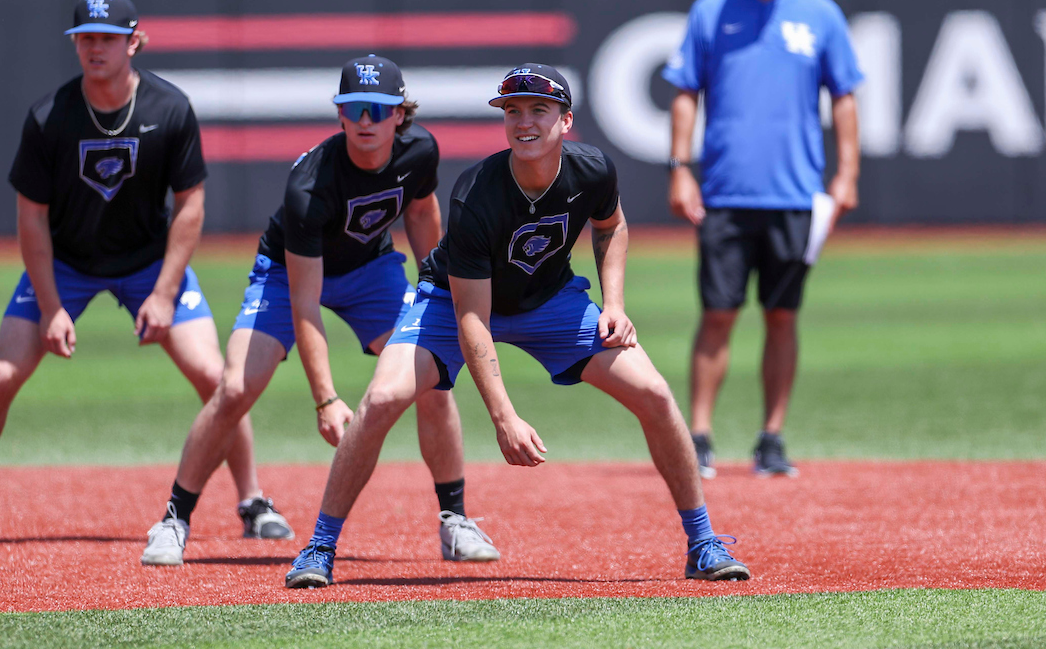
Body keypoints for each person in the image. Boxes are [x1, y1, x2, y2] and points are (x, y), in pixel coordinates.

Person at [285, 63, 749, 589]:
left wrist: (614, 302)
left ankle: (702, 542)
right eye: (512, 111)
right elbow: (473, 320)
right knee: (382, 400)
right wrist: (503, 416)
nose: (523, 122)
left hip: (550, 301)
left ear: (566, 119)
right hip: (450, 302)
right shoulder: (475, 194)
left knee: (657, 396)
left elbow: (611, 223)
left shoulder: (592, 169)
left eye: (537, 110)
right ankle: (320, 547)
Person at [0, 0, 277, 545]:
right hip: (67, 262)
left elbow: (190, 207)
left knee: (217, 376)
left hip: (148, 262)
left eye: (108, 38)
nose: (95, 48)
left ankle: (253, 501)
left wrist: (163, 294)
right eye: (85, 38)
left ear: (134, 42)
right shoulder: (49, 117)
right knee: (0, 377)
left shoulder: (170, 109)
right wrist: (51, 307)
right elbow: (31, 220)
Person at [140, 55, 500, 566]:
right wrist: (326, 399)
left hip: (371, 268)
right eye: (355, 109)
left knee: (433, 381)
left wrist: (434, 288)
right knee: (237, 386)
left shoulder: (420, 151)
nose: (366, 121)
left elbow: (421, 211)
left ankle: (454, 520)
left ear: (400, 113)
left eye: (379, 109)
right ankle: (174, 518)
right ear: (339, 114)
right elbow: (305, 303)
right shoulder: (309, 185)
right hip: (287, 273)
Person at [662, 0, 862, 479]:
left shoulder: (819, 15)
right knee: (717, 314)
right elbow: (684, 91)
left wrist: (847, 172)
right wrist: (680, 166)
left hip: (796, 193)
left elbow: (844, 96)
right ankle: (697, 436)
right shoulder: (712, 11)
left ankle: (771, 437)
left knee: (781, 315)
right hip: (725, 190)